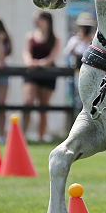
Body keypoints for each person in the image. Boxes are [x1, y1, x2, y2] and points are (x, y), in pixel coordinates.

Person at [22, 11, 61, 142]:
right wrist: (30, 63)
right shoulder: (30, 36)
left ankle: (41, 137)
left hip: (47, 74)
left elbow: (52, 57)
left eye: (37, 19)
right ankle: (22, 135)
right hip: (32, 73)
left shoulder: (55, 38)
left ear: (46, 21)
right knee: (28, 102)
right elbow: (26, 53)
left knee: (43, 106)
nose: (35, 21)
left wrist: (40, 63)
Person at [62, 11, 96, 109]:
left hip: (91, 73)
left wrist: (89, 40)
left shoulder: (94, 40)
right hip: (76, 72)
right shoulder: (75, 40)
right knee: (76, 97)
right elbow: (67, 53)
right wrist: (79, 40)